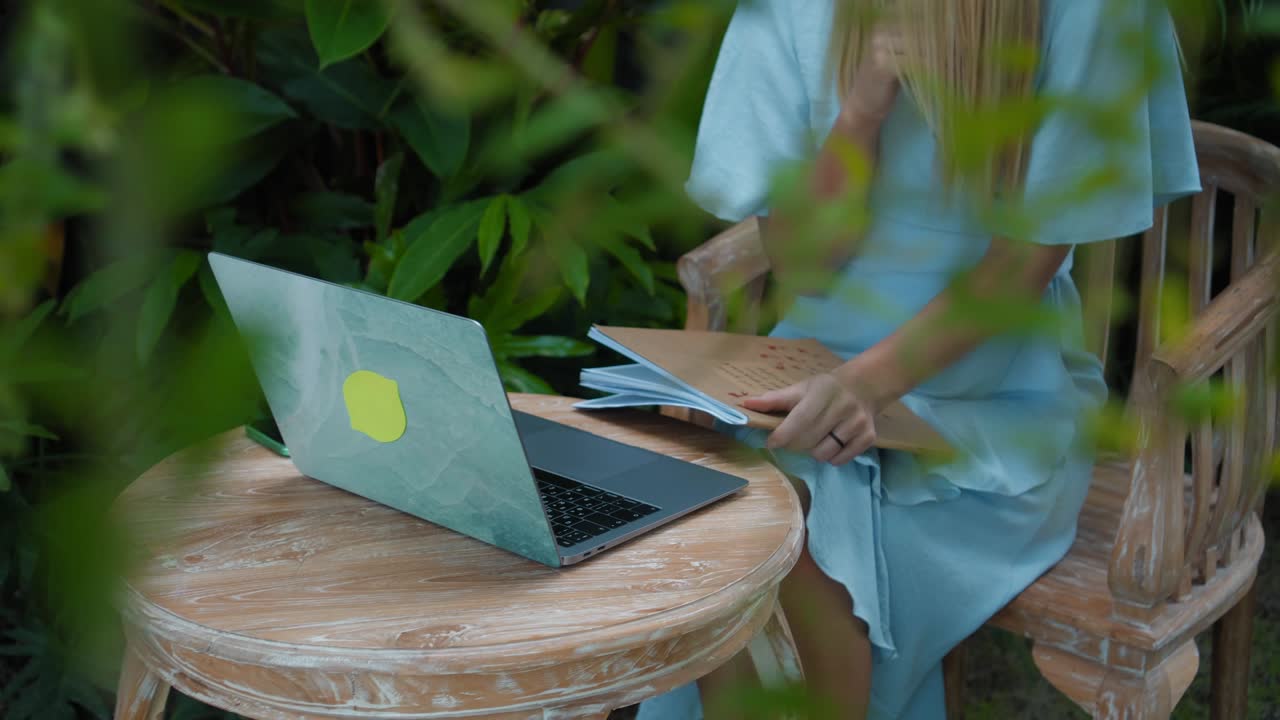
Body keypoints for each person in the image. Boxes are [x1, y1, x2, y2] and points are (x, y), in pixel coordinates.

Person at [637, 0, 1201, 718]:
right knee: (731, 527)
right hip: (805, 374)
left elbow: (1020, 269)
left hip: (995, 406)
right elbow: (800, 263)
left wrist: (862, 387)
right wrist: (862, 113)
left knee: (791, 546)